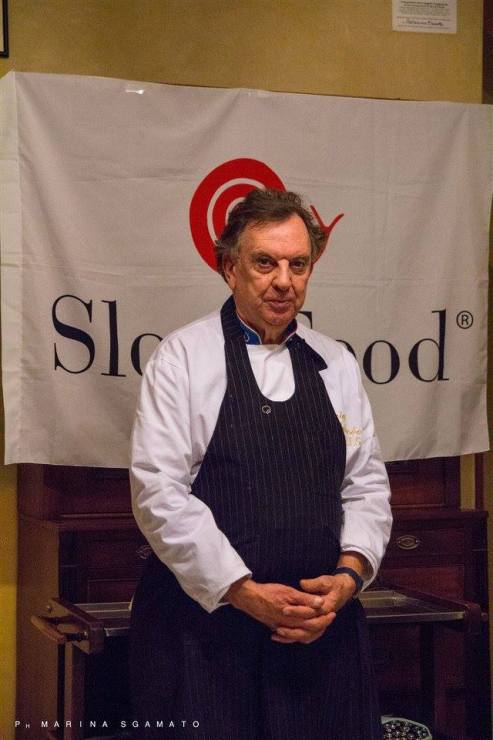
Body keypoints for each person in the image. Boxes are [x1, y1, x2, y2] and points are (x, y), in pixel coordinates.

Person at [129, 188, 392, 739]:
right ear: (230, 269)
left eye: (298, 264)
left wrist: (347, 580)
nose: (283, 281)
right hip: (209, 634)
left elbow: (365, 485)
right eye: (265, 263)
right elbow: (159, 492)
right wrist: (243, 591)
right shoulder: (183, 358)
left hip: (320, 632)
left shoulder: (336, 362)